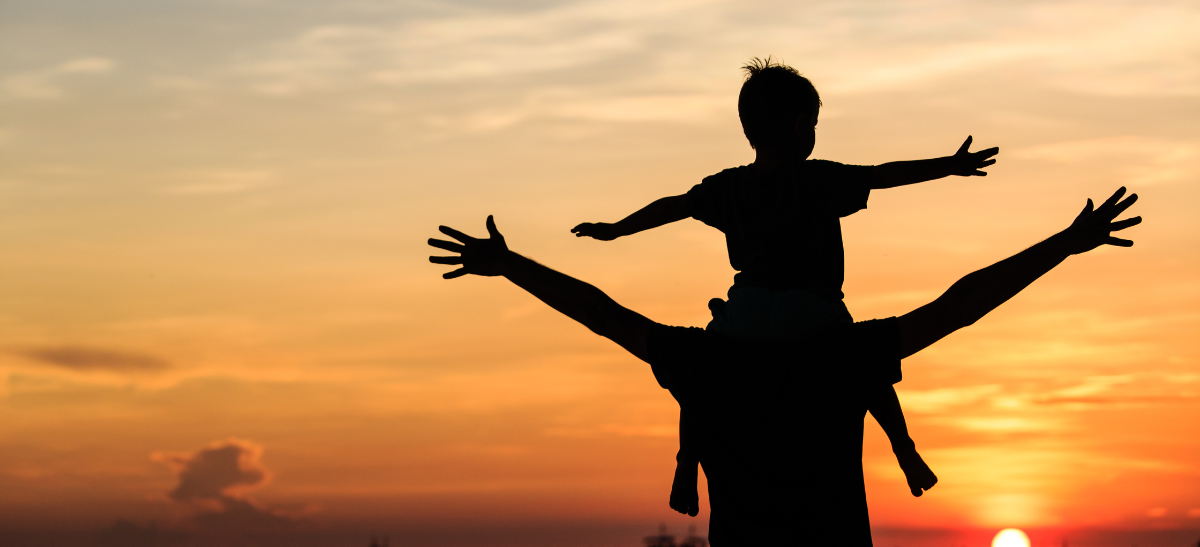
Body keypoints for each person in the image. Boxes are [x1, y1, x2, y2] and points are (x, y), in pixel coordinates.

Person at [429, 187, 1139, 546]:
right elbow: (960, 305)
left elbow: (600, 311)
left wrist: (511, 265)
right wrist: (1061, 244)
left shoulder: (702, 360)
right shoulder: (842, 357)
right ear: (824, 263)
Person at [571, 58, 999, 507]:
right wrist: (949, 165)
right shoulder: (817, 179)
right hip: (812, 312)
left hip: (746, 314)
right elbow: (884, 174)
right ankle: (905, 450)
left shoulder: (728, 187)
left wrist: (616, 228)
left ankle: (685, 464)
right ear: (800, 126)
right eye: (813, 124)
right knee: (867, 362)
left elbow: (671, 206)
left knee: (697, 375)